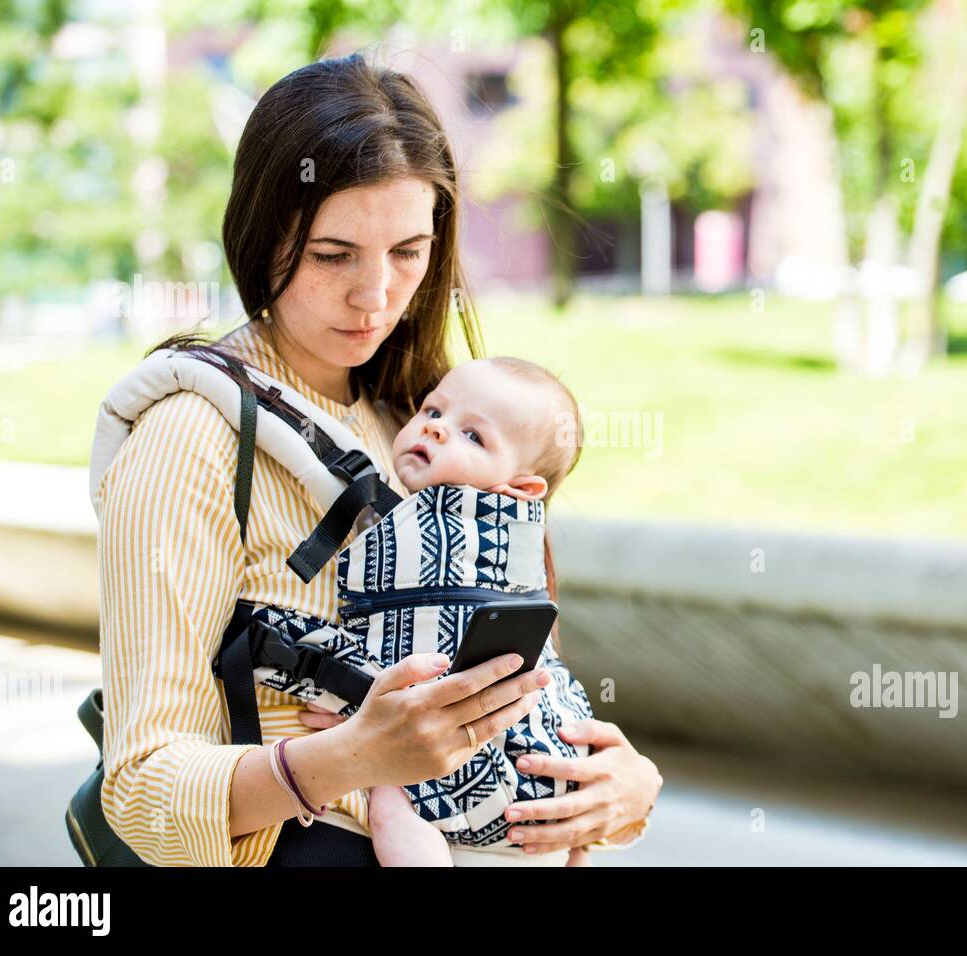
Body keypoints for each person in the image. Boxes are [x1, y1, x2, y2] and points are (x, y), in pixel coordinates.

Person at [96, 52, 662, 866]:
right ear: (262, 236)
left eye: (408, 251)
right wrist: (356, 756)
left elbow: (523, 676)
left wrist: (623, 789)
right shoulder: (191, 434)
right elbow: (141, 792)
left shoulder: (428, 420)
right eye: (332, 255)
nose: (375, 296)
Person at [363, 356, 595, 866]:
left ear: (519, 488)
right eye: (433, 410)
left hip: (484, 760)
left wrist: (345, 699)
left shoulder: (444, 538)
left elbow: (414, 653)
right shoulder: (518, 548)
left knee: (389, 799)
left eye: (473, 437)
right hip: (554, 765)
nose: (436, 430)